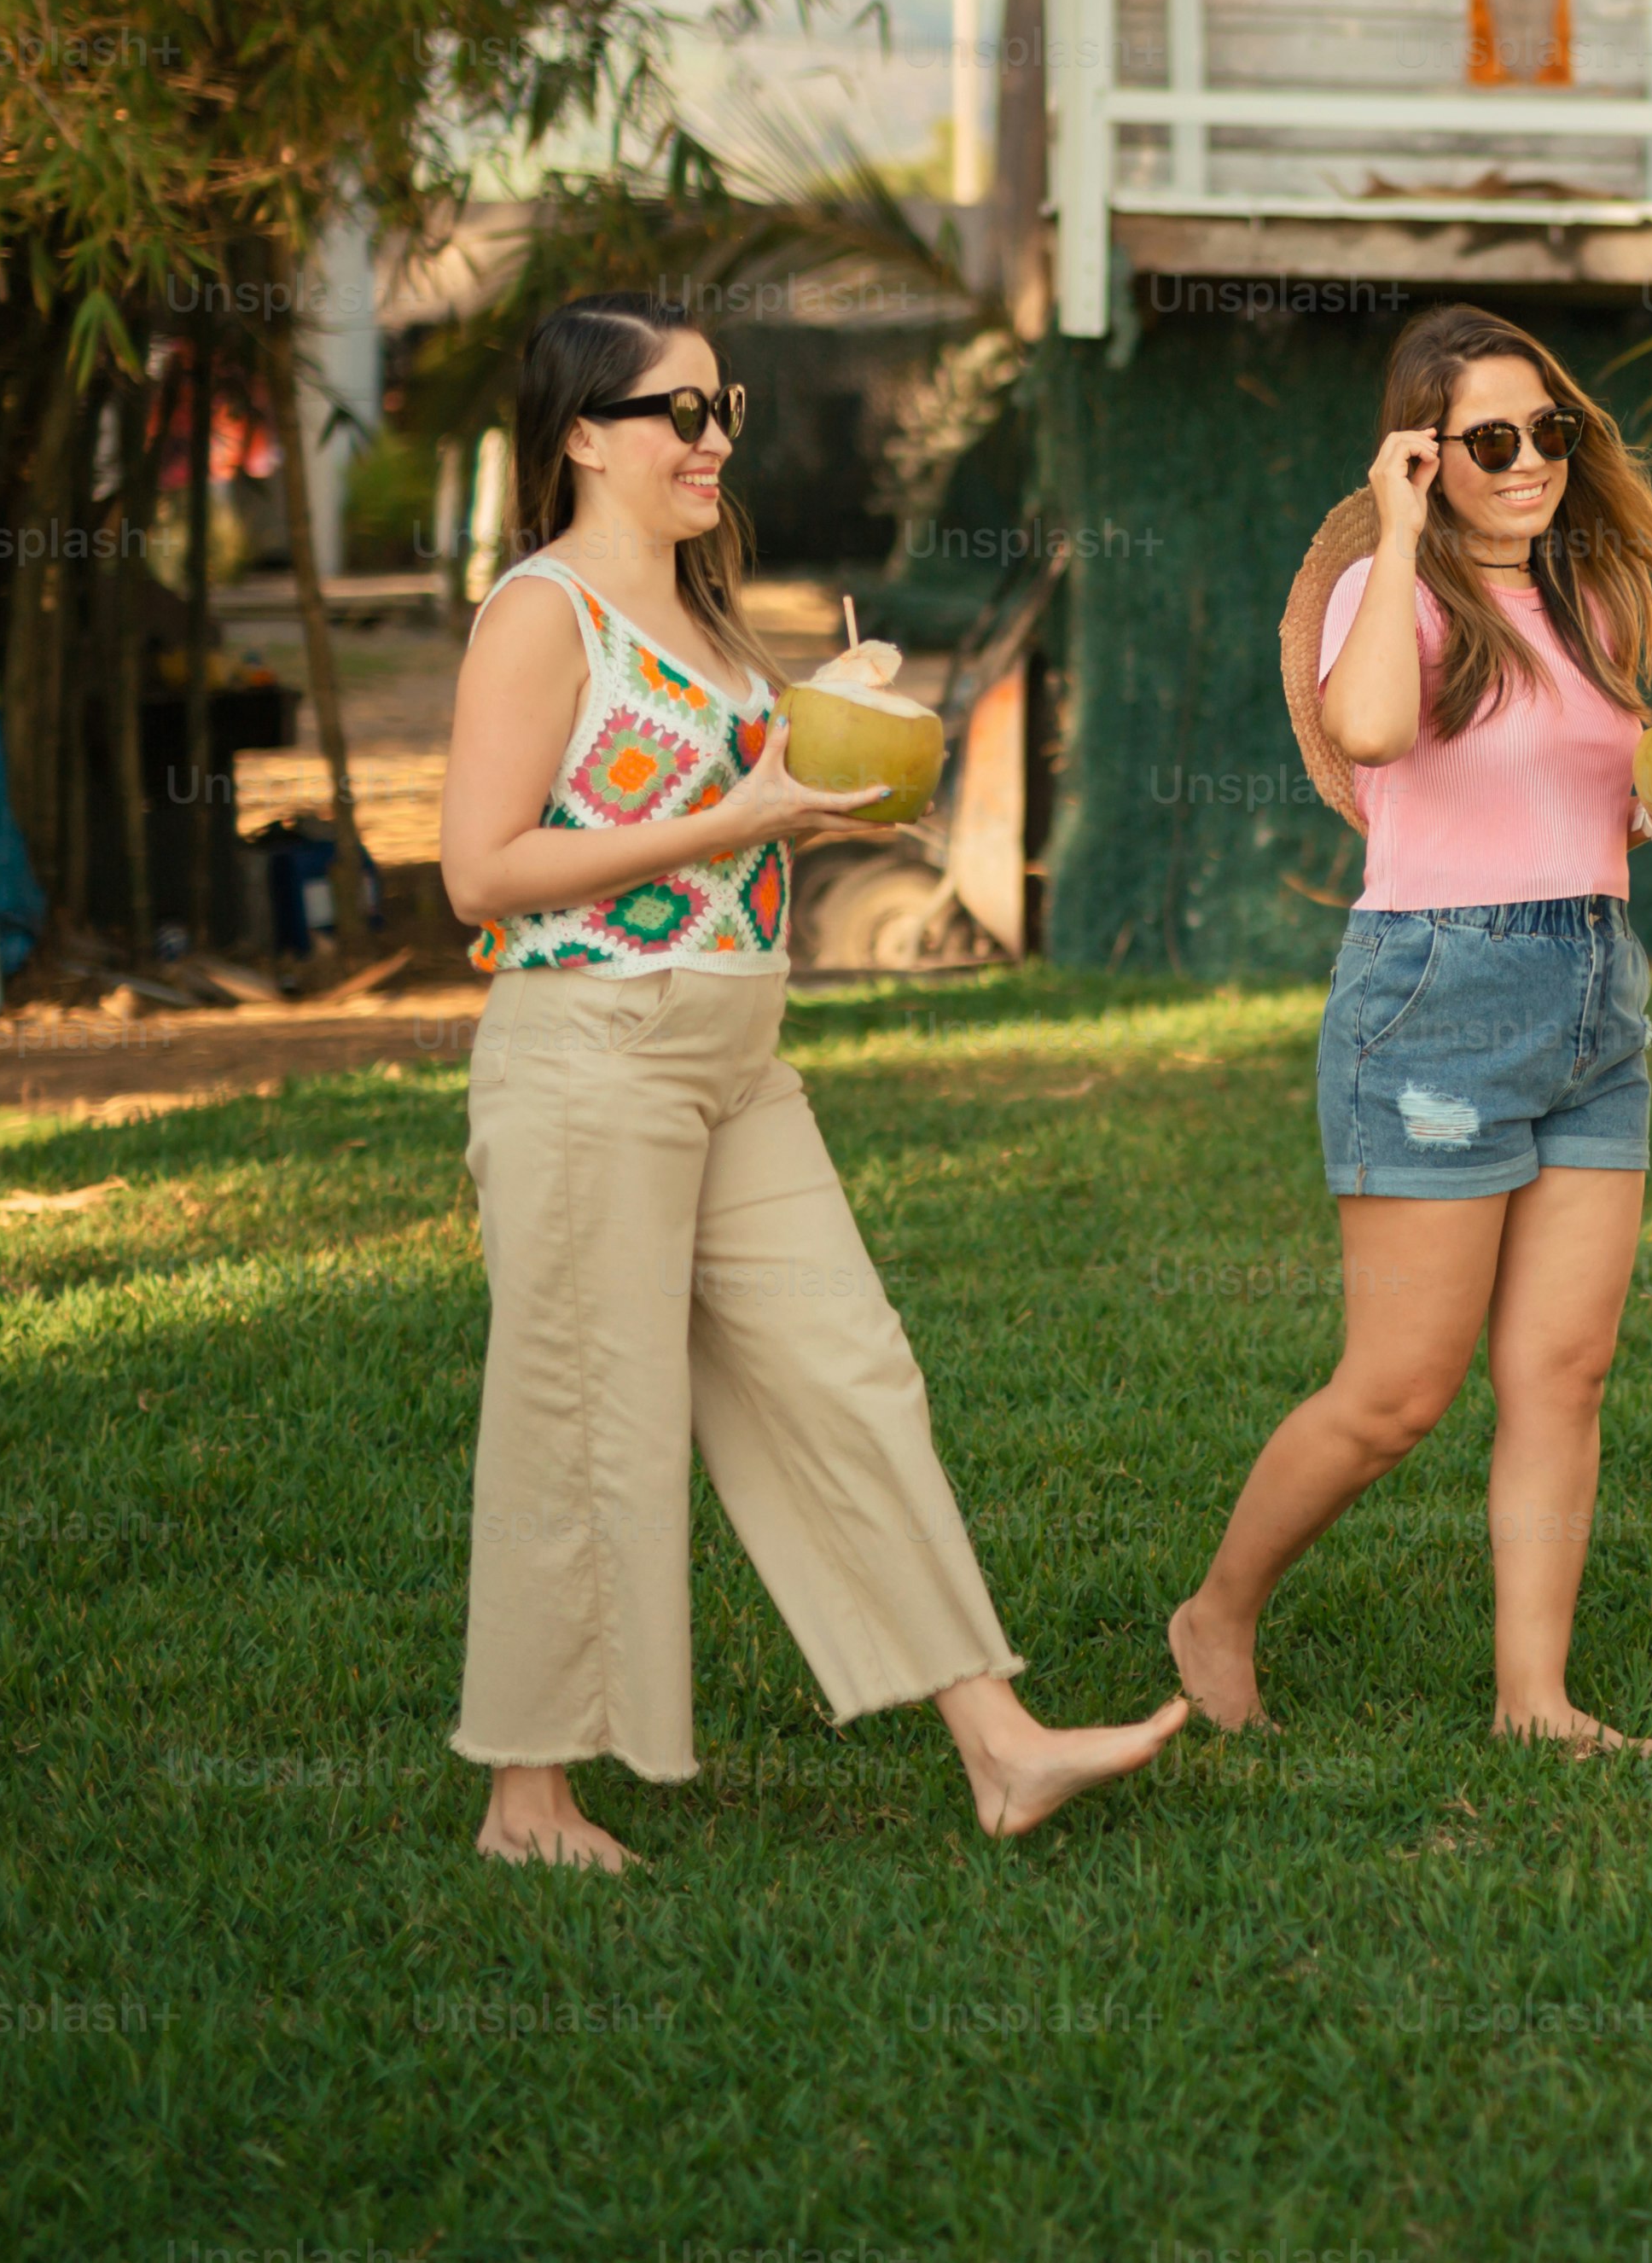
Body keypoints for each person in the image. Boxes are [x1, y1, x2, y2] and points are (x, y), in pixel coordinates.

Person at [436, 291, 1185, 1870]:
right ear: (583, 437)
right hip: (595, 1053)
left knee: (848, 1375)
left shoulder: (708, 614)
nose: (714, 438)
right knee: (586, 1416)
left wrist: (834, 746)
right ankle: (528, 1799)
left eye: (726, 408)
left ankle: (1000, 1745)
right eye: (679, 413)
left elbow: (754, 798)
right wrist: (745, 814)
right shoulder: (543, 613)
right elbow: (481, 871)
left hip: (733, 1059)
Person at [1168, 304, 1652, 1753]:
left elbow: (1586, 800)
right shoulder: (1383, 591)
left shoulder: (1591, 604)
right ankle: (1215, 1612)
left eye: (1549, 432)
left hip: (1596, 994)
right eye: (1491, 441)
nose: (1530, 463)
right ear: (1425, 455)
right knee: (1398, 1393)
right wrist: (1395, 535)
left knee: (1565, 1374)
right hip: (1437, 1001)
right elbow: (1375, 735)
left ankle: (1537, 1701)